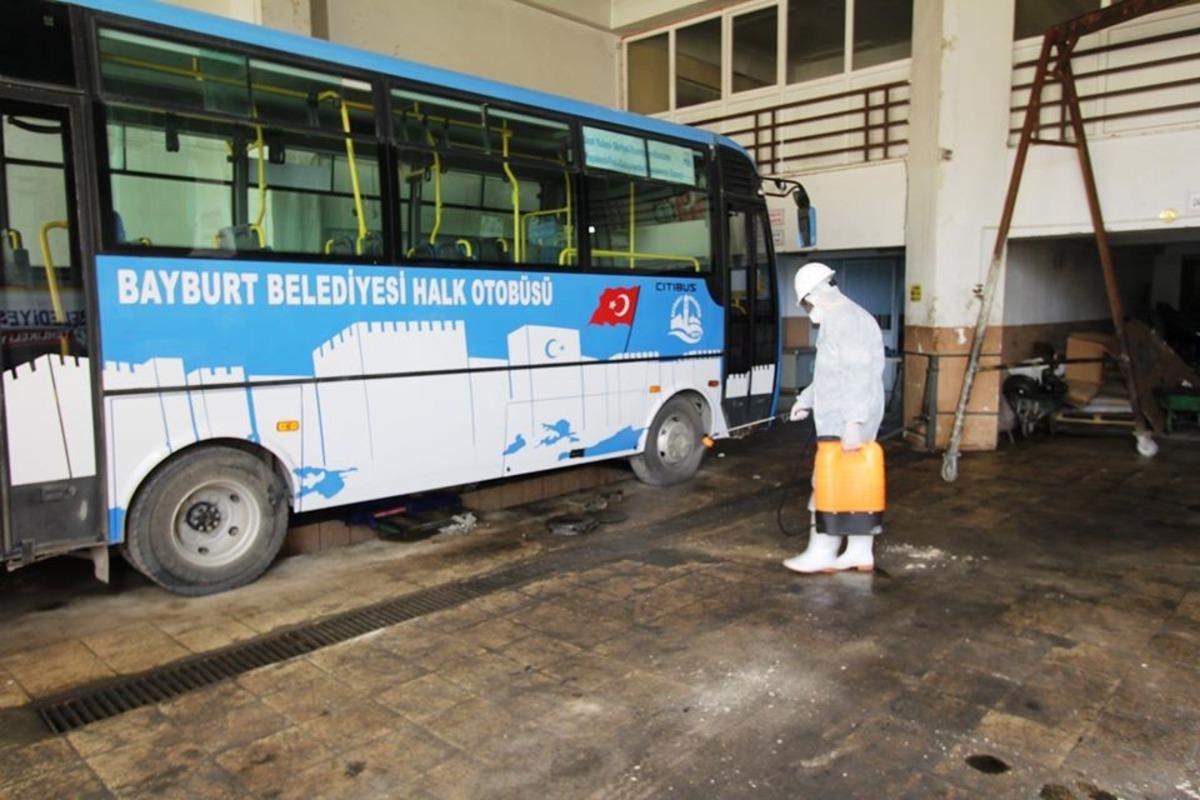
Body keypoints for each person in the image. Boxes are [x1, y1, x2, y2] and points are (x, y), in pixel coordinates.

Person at [784, 262, 886, 574]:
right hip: (845, 417)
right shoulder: (843, 318)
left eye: (805, 303)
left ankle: (822, 552)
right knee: (856, 483)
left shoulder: (846, 321)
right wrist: (805, 400)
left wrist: (853, 423)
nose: (808, 310)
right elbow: (831, 374)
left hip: (847, 420)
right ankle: (859, 551)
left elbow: (857, 375)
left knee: (827, 482)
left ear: (815, 294)